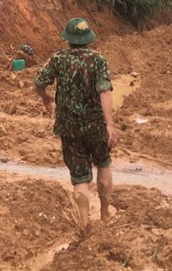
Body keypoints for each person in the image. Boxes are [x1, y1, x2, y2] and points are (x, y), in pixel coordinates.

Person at [34, 17, 118, 229]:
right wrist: (110, 125)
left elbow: (38, 82)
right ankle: (105, 213)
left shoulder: (59, 59)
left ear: (68, 38)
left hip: (68, 127)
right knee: (103, 163)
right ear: (88, 38)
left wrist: (45, 97)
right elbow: (104, 90)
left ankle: (83, 225)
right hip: (95, 125)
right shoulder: (98, 60)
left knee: (79, 177)